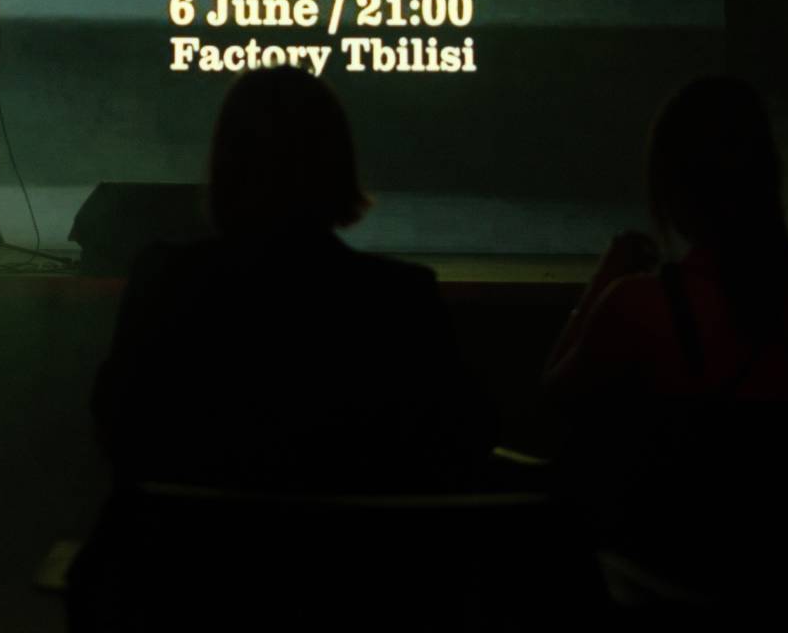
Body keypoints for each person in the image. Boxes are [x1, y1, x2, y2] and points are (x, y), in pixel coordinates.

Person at [68, 67, 494, 627]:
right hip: (361, 591)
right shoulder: (402, 298)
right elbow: (458, 447)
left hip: (176, 590)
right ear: (337, 166)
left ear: (224, 165)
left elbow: (118, 428)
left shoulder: (165, 282)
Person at [540, 77, 788, 603]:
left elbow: (552, 404)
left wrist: (603, 281)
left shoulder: (640, 303)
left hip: (671, 585)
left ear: (672, 190)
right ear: (769, 176)